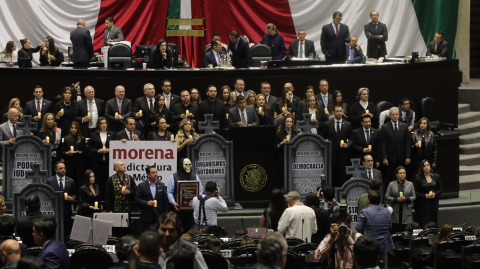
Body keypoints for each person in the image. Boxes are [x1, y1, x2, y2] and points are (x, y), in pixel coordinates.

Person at [166, 158, 204, 233]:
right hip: (178, 209)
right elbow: (169, 192)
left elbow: (200, 190)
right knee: (178, 229)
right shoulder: (173, 177)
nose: (188, 167)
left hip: (191, 210)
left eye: (190, 165)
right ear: (181, 166)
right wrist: (173, 202)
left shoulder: (195, 176)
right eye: (186, 165)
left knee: (190, 230)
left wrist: (197, 201)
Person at [320, 105, 353, 187]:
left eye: (340, 111)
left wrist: (347, 144)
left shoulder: (348, 124)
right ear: (333, 112)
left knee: (342, 177)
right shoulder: (327, 124)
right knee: (332, 177)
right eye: (337, 111)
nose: (339, 113)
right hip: (331, 155)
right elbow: (322, 137)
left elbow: (352, 138)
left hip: (343, 155)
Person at [380, 108, 412, 189]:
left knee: (403, 177)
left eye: (396, 114)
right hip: (390, 158)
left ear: (399, 115)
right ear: (390, 116)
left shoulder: (404, 126)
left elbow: (408, 143)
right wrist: (384, 157)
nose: (395, 116)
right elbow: (383, 144)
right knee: (388, 178)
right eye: (393, 115)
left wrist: (408, 156)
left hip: (402, 157)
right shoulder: (385, 127)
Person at [355, 190, 394, 255]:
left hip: (369, 245)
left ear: (368, 200)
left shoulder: (364, 212)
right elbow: (390, 226)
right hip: (383, 245)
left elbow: (358, 228)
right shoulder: (387, 211)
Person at [45, 161, 75, 237]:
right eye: (60, 168)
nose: (63, 170)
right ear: (56, 170)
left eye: (64, 168)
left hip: (66, 211)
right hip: (54, 211)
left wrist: (72, 198)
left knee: (67, 233)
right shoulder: (50, 181)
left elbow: (75, 194)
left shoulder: (71, 181)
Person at [87, 117, 114, 199]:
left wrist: (110, 149)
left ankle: (107, 200)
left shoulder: (112, 134)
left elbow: (117, 146)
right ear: (98, 125)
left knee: (108, 181)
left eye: (105, 123)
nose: (104, 125)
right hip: (97, 162)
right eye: (102, 123)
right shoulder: (93, 135)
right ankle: (98, 200)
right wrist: (98, 151)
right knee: (98, 181)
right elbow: (88, 148)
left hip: (108, 162)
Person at [136, 166, 169, 231]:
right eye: (153, 173)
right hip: (146, 217)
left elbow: (165, 201)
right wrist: (146, 203)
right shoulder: (141, 186)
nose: (155, 174)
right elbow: (137, 200)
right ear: (148, 175)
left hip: (159, 217)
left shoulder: (162, 185)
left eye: (156, 172)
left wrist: (165, 215)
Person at [385, 166, 416, 233]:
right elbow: (387, 196)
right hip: (395, 210)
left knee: (406, 230)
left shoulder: (410, 184)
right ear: (396, 174)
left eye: (404, 173)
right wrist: (396, 200)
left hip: (406, 210)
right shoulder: (391, 184)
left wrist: (406, 199)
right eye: (400, 173)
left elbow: (414, 196)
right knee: (395, 231)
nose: (402, 175)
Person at [414, 160, 443, 228]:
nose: (426, 167)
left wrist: (435, 194)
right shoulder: (418, 178)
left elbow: (440, 189)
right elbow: (414, 192)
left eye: (428, 165)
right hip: (422, 204)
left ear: (430, 166)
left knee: (433, 221)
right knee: (424, 222)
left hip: (433, 203)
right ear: (422, 168)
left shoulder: (436, 176)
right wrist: (424, 195)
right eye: (424, 166)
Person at [275, 115, 300, 186]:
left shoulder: (296, 133)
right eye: (287, 121)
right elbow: (274, 148)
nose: (289, 123)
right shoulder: (279, 134)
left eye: (291, 122)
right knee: (283, 179)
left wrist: (300, 138)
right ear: (284, 123)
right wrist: (281, 143)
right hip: (283, 160)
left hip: (294, 160)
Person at [63, 121, 86, 187]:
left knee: (79, 183)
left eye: (75, 128)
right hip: (69, 164)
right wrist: (67, 153)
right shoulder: (66, 139)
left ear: (78, 129)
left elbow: (85, 151)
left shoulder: (82, 139)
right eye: (72, 128)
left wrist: (79, 152)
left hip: (79, 164)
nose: (73, 129)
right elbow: (63, 151)